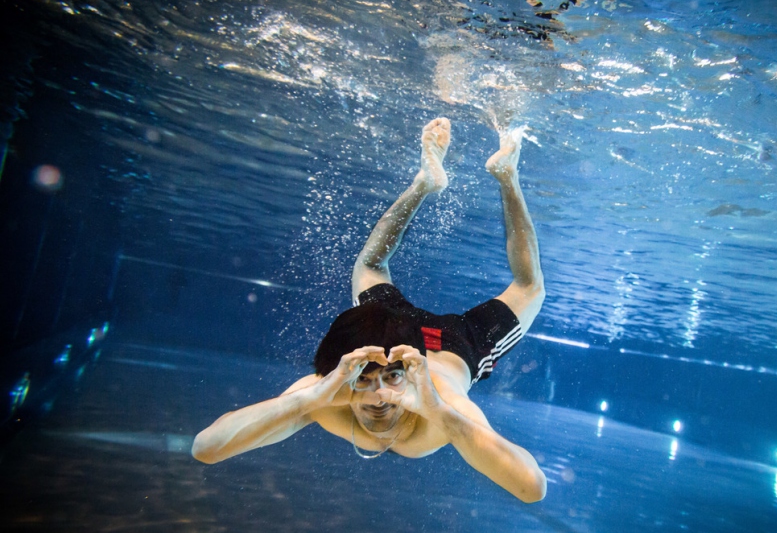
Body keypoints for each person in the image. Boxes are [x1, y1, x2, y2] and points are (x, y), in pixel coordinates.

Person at [192, 118, 547, 503]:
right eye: (362, 377)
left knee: (527, 289)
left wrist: (439, 411)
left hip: (458, 347)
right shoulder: (326, 393)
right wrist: (307, 400)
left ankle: (500, 175)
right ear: (341, 372)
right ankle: (429, 181)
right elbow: (206, 448)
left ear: (412, 374)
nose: (378, 397)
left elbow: (531, 487)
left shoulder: (442, 400)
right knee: (373, 268)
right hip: (395, 334)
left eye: (392, 377)